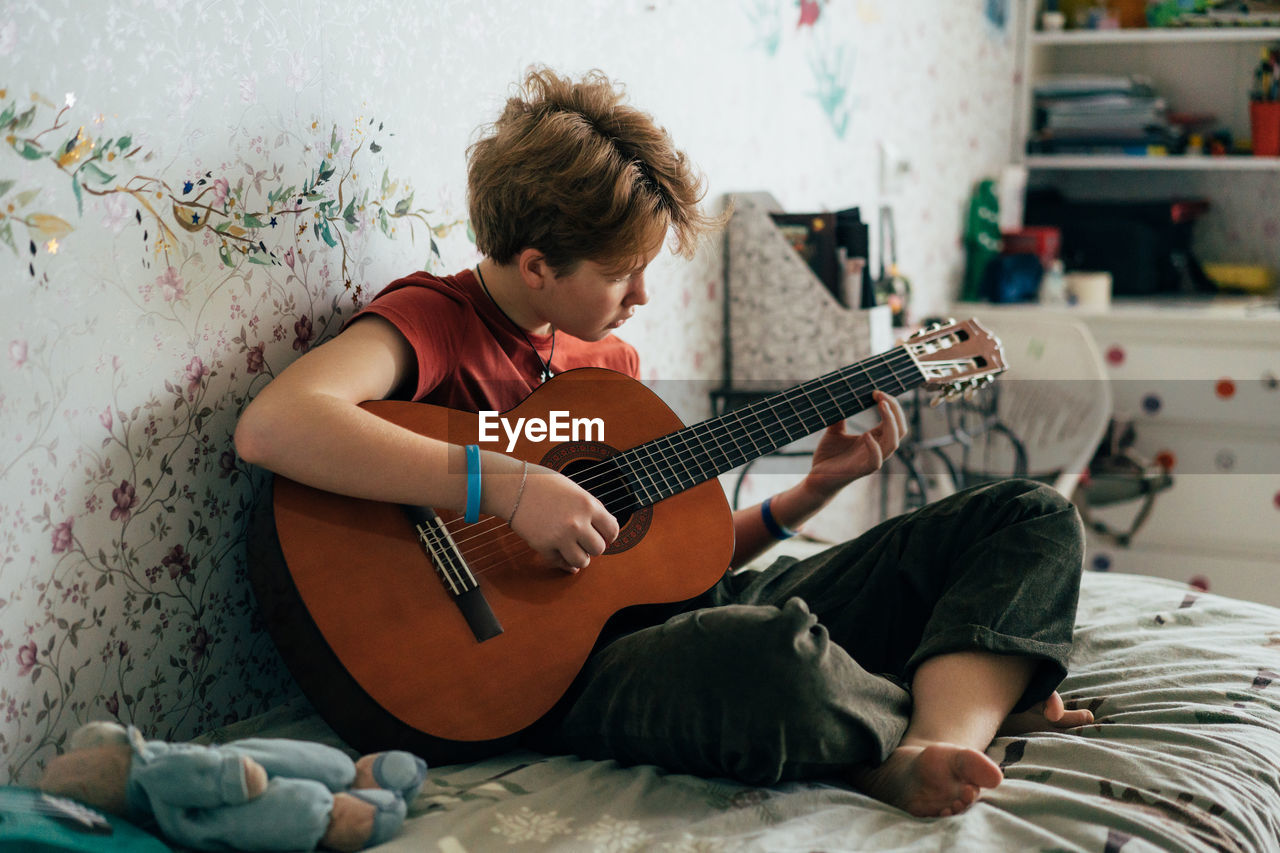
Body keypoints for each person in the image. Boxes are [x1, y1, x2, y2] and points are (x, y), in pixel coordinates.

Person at [235, 66, 1092, 819]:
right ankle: (966, 687)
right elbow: (277, 423)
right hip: (553, 671)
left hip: (685, 616)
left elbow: (675, 567)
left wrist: (808, 497)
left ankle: (931, 739)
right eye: (620, 272)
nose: (642, 293)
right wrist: (508, 487)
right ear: (536, 265)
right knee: (773, 657)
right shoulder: (435, 322)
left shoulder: (605, 364)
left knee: (1032, 516)